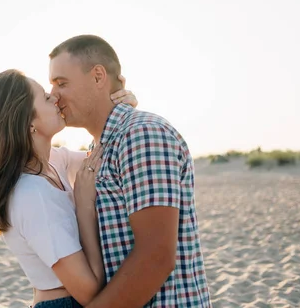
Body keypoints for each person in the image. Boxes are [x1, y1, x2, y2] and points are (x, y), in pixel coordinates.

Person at [49, 35, 212, 307]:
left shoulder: (141, 134)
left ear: (98, 76)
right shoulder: (101, 146)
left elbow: (155, 256)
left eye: (62, 83)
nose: (54, 95)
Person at [0, 69, 137, 308]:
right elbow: (89, 291)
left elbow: (108, 156)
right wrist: (84, 207)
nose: (54, 97)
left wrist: (122, 110)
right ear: (28, 122)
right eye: (44, 97)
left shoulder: (54, 162)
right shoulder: (31, 195)